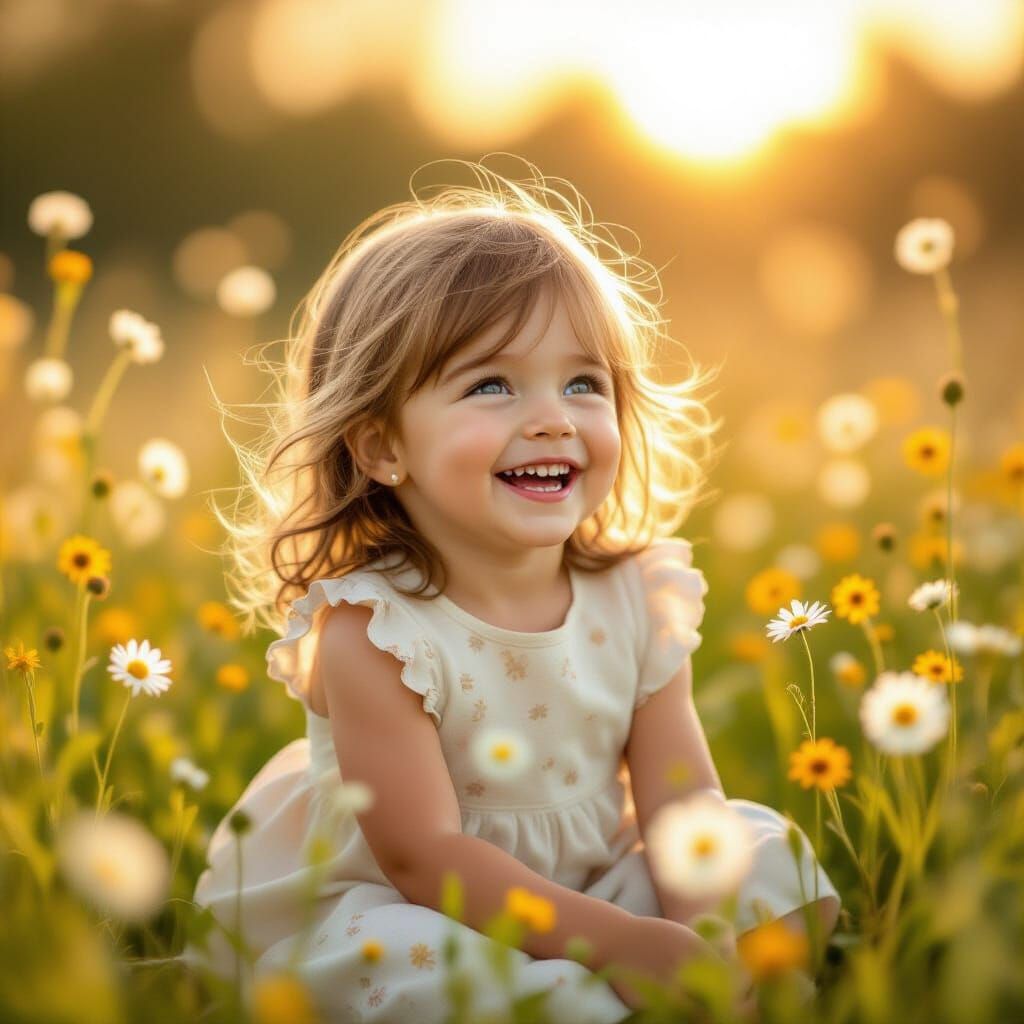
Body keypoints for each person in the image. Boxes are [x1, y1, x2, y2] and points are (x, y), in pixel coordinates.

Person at [185, 160, 841, 1023]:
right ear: (383, 446)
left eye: (583, 383)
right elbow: (426, 856)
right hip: (424, 904)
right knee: (419, 969)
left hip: (592, 877)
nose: (552, 417)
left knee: (768, 856)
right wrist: (619, 943)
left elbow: (684, 804)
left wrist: (700, 938)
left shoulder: (637, 595)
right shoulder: (376, 630)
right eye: (492, 384)